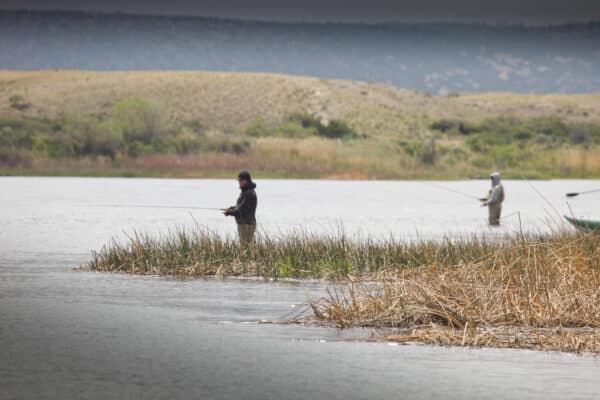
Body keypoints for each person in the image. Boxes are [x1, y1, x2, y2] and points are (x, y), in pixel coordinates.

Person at [224, 171, 258, 244]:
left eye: (240, 180)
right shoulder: (246, 191)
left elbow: (242, 210)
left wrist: (229, 212)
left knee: (245, 246)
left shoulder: (249, 193)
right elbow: (241, 206)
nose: (239, 182)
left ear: (245, 181)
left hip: (246, 225)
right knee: (247, 245)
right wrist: (231, 208)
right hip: (245, 224)